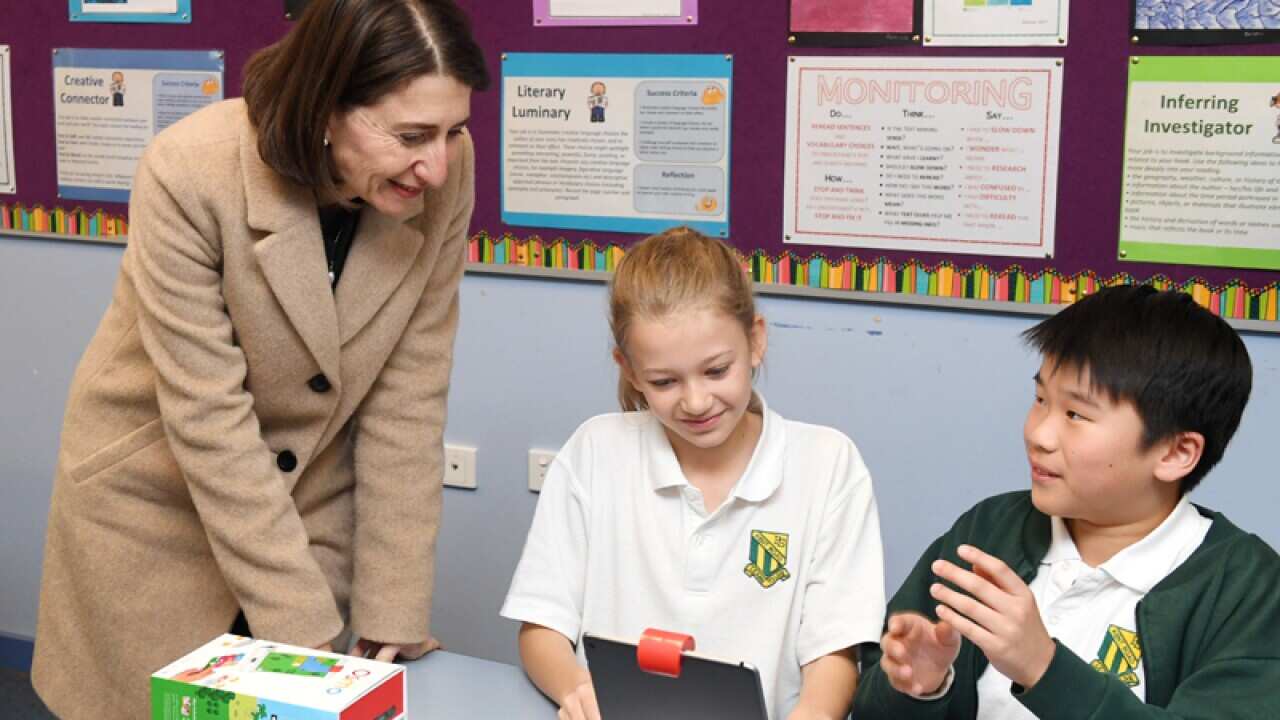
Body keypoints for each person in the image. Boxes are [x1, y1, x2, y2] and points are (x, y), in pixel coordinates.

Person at [31, 1, 488, 716]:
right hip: (159, 501)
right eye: (411, 136)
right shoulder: (189, 169)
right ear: (327, 107)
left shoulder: (443, 171)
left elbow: (410, 398)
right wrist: (300, 627)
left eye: (453, 130)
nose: (436, 165)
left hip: (312, 498)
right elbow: (207, 418)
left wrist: (392, 607)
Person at [501, 227, 886, 720]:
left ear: (756, 340)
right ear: (629, 370)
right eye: (664, 381)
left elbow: (835, 652)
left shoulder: (827, 464)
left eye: (716, 371)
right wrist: (578, 688)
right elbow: (541, 625)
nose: (696, 401)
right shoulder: (594, 452)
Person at [853, 284, 1280, 719]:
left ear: (1175, 453)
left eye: (1076, 414)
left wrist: (1043, 667)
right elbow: (871, 706)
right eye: (1041, 400)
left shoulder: (1246, 588)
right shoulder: (990, 530)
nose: (1038, 434)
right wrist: (922, 689)